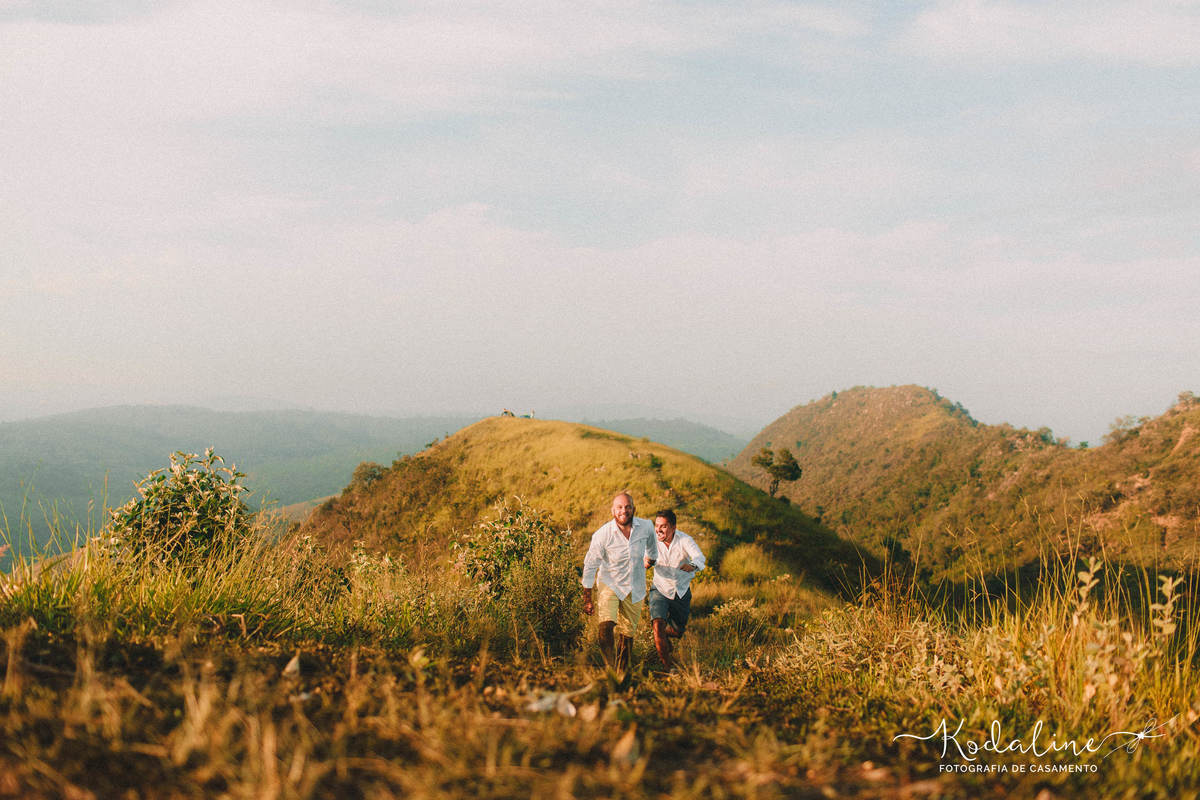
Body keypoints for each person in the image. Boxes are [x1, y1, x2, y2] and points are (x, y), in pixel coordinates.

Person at [581, 492, 656, 670]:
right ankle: (610, 667)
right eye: (620, 507)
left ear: (633, 509)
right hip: (610, 583)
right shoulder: (603, 534)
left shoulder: (646, 527)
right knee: (606, 625)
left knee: (627, 634)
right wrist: (587, 598)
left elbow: (653, 549)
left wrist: (649, 561)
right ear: (613, 511)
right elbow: (590, 566)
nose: (624, 511)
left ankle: (622, 673)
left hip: (635, 586)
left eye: (627, 507)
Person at [645, 509, 705, 670]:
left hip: (681, 591)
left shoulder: (685, 540)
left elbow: (700, 558)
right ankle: (668, 669)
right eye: (656, 525)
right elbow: (643, 561)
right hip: (660, 588)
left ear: (673, 528)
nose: (658, 530)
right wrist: (647, 562)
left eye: (663, 526)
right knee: (658, 628)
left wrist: (692, 565)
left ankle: (662, 638)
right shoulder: (651, 541)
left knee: (677, 632)